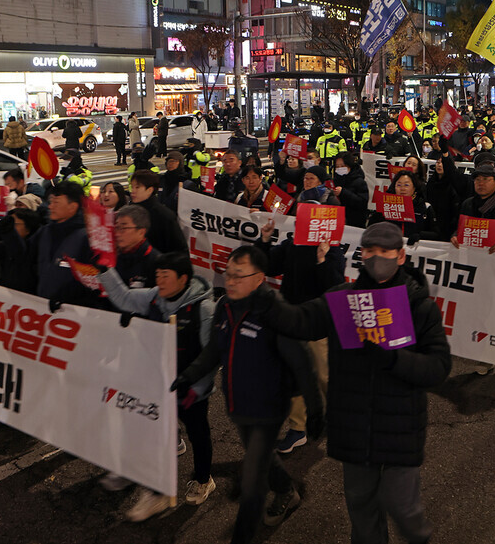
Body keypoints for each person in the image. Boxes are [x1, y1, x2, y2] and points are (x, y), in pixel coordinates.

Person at [272, 222, 452, 544]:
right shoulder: (342, 300)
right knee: (361, 508)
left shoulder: (419, 306)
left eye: (385, 251)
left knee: (403, 507)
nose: (376, 257)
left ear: (401, 256)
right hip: (354, 426)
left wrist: (394, 359)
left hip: (399, 429)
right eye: (370, 251)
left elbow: (438, 367)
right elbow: (302, 320)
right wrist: (263, 302)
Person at [171, 246, 301, 543]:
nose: (230, 281)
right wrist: (189, 375)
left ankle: (279, 498)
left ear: (259, 279)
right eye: (228, 274)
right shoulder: (225, 306)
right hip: (238, 400)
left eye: (238, 276)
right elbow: (216, 349)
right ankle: (285, 489)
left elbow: (296, 362)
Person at [97, 252, 217, 519]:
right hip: (158, 385)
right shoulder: (154, 297)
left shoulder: (204, 309)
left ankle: (203, 479)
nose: (159, 280)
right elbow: (126, 298)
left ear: (183, 279)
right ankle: (156, 491)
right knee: (151, 434)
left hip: (190, 391)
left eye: (166, 275)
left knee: (198, 434)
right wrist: (105, 271)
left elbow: (211, 356)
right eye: (158, 274)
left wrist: (196, 390)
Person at [256, 218, 345, 455]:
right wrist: (265, 239)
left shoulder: (333, 249)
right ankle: (298, 428)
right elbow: (268, 266)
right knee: (293, 374)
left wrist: (322, 259)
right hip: (291, 319)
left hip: (318, 323)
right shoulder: (290, 245)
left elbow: (336, 286)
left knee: (324, 374)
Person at [27, 181, 96, 307]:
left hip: (72, 315)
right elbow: (25, 258)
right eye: (51, 201)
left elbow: (93, 282)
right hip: (42, 309)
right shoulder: (45, 232)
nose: (50, 206)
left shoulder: (87, 238)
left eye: (56, 203)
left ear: (72, 207)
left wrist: (66, 297)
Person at [367, 170, 438, 243]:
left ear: (414, 187)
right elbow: (369, 230)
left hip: (414, 250)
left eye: (406, 185)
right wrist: (375, 219)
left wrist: (420, 235)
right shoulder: (385, 205)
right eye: (399, 185)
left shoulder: (425, 207)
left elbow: (436, 234)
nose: (402, 188)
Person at [128, 170, 187, 253]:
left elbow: (179, 250)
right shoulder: (128, 212)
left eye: (137, 187)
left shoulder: (164, 215)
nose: (133, 191)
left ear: (150, 190)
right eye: (132, 187)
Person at [111, 204, 160, 290]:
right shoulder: (111, 257)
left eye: (123, 228)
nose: (117, 233)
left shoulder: (155, 262)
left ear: (141, 232)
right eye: (117, 227)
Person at [331, 152, 369, 228]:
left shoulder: (359, 182)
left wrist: (343, 192)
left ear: (349, 166)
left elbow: (362, 203)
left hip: (354, 223)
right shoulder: (335, 181)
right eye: (337, 166)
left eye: (342, 166)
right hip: (338, 221)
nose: (339, 168)